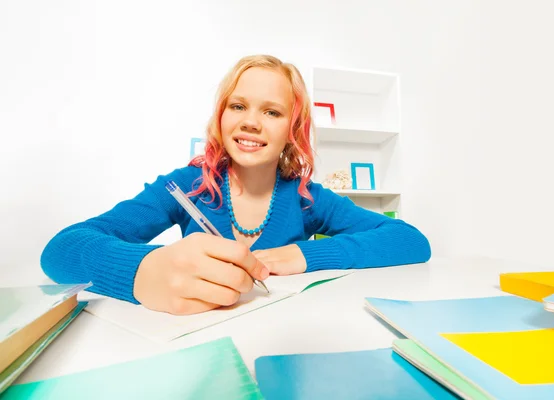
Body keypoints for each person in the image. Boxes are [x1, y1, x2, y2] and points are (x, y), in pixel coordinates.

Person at [40, 54, 431, 316]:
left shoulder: (307, 198)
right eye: (238, 106)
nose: (251, 122)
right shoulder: (186, 186)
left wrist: (304, 256)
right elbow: (61, 249)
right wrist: (139, 270)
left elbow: (410, 240)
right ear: (222, 115)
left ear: (292, 131)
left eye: (272, 111)